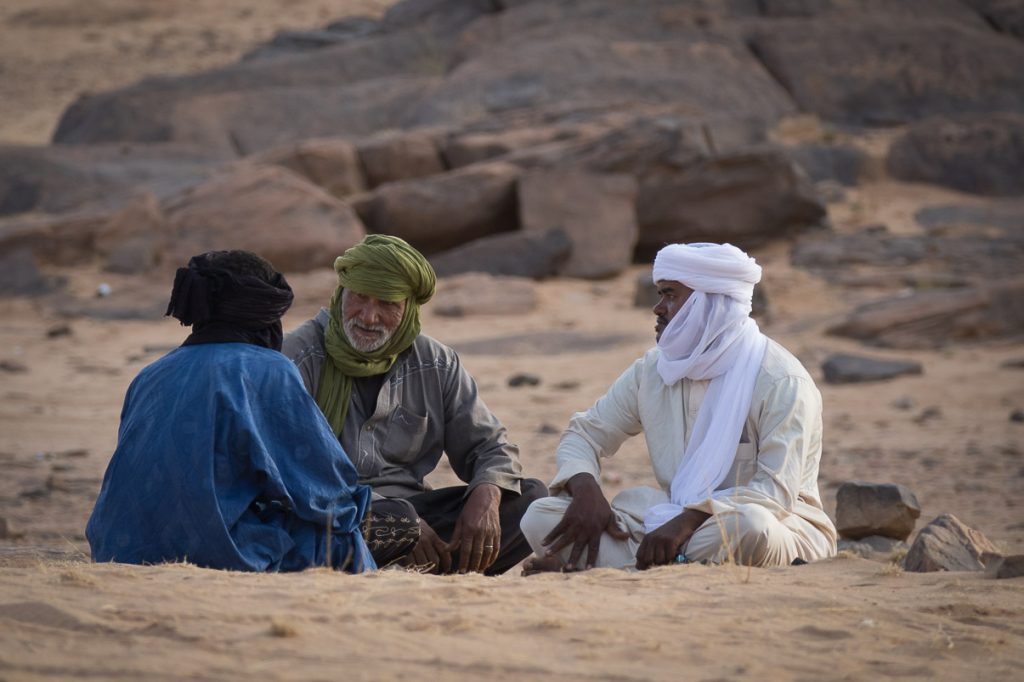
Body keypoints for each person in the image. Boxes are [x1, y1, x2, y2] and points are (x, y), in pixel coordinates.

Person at [520, 242, 837, 572]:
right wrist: (585, 491)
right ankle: (664, 561)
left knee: (749, 526)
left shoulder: (782, 380)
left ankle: (625, 565)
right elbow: (584, 434)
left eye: (670, 295)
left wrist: (688, 521)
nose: (658, 309)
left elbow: (774, 493)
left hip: (776, 525)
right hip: (671, 519)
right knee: (540, 517)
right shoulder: (653, 371)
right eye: (659, 295)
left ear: (710, 302)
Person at [87, 250, 375, 573]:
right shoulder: (267, 370)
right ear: (265, 313)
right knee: (340, 540)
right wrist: (373, 516)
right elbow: (325, 493)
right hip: (212, 552)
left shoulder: (150, 375)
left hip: (114, 547)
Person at [283, 234, 546, 574]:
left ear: (409, 308)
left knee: (531, 500)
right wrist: (387, 514)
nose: (368, 316)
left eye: (387, 304)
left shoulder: (436, 363)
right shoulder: (297, 357)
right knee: (392, 521)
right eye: (359, 297)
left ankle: (419, 563)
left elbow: (491, 445)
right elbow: (290, 467)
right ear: (341, 292)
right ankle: (413, 563)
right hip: (331, 512)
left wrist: (489, 492)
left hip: (416, 514)